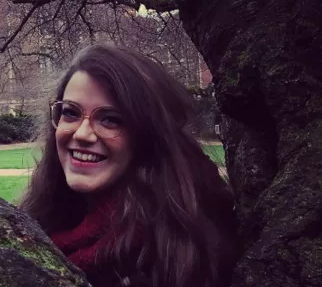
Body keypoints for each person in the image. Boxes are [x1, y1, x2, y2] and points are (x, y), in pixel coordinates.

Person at [19, 45, 237, 287]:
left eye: (111, 119)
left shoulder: (175, 252)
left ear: (149, 136)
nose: (82, 133)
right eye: (70, 113)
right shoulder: (36, 223)